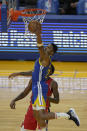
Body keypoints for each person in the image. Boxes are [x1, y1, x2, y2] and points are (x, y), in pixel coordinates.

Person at [28, 21, 80, 130]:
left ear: (52, 53)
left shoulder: (46, 58)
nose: (47, 48)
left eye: (49, 48)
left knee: (41, 116)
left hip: (40, 88)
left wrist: (38, 35)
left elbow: (40, 47)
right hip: (36, 87)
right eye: (47, 46)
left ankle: (69, 114)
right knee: (38, 117)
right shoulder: (42, 58)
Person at [9, 64, 59, 131]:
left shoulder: (53, 83)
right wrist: (14, 100)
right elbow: (24, 93)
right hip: (32, 109)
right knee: (24, 129)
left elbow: (57, 100)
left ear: (49, 72)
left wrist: (45, 97)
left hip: (44, 110)